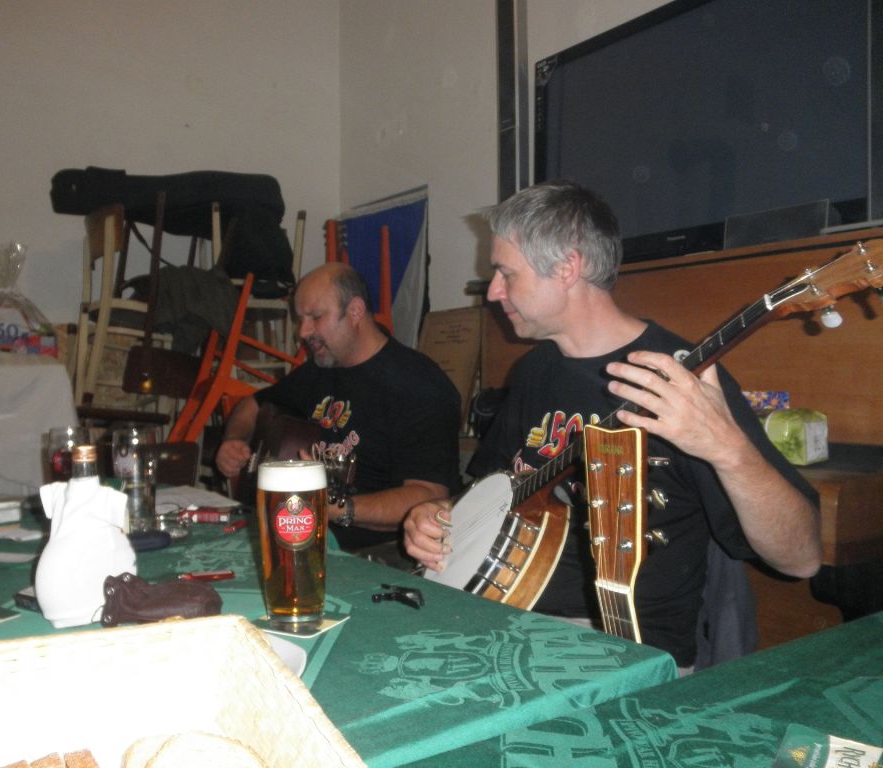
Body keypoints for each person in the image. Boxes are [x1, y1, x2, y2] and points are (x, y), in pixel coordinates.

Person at [403, 181, 821, 668]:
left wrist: (727, 449)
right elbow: (495, 491)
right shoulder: (534, 370)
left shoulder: (682, 383)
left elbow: (801, 558)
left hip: (623, 651)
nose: (493, 291)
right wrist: (440, 516)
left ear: (567, 267)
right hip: (502, 619)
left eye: (505, 273)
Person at [215, 262, 462, 562]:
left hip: (379, 555)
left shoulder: (419, 385)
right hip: (306, 535)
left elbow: (429, 496)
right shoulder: (321, 370)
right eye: (300, 319)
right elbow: (253, 404)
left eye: (315, 317)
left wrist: (336, 508)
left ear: (355, 311)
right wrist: (234, 439)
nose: (304, 332)